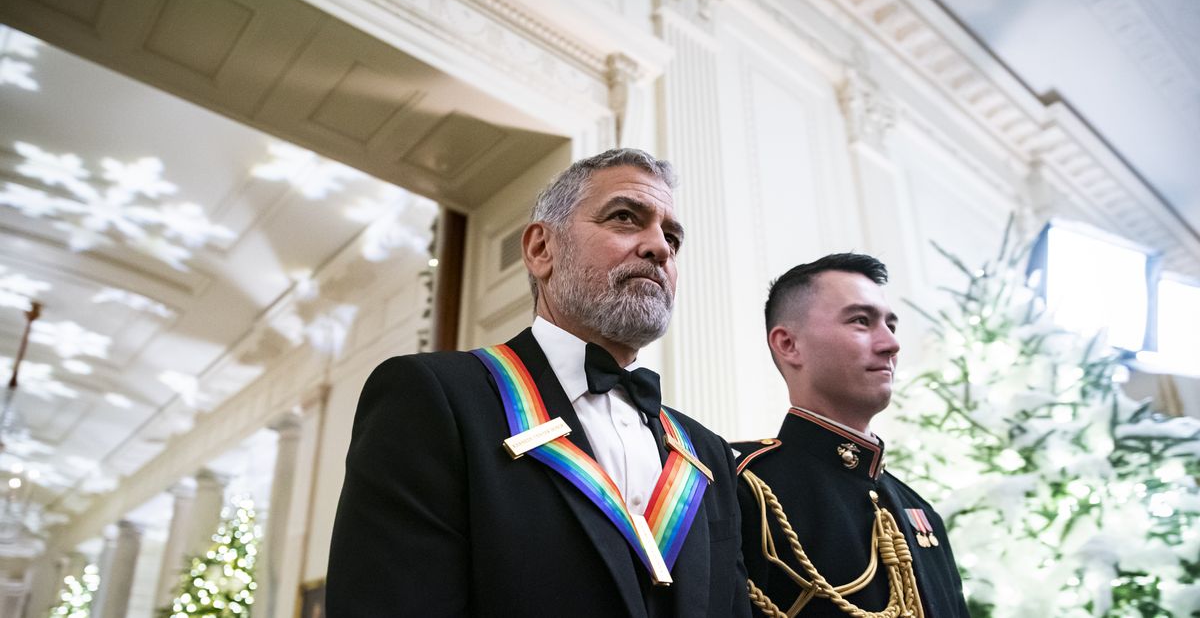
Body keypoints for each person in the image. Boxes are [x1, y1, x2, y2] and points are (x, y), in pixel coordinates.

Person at [326, 148, 751, 617]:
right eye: (626, 218)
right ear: (540, 250)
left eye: (672, 238)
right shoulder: (432, 398)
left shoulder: (708, 453)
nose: (659, 248)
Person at [733, 253, 969, 618]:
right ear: (788, 345)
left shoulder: (919, 511)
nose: (891, 344)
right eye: (862, 321)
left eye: (891, 325)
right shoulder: (745, 488)